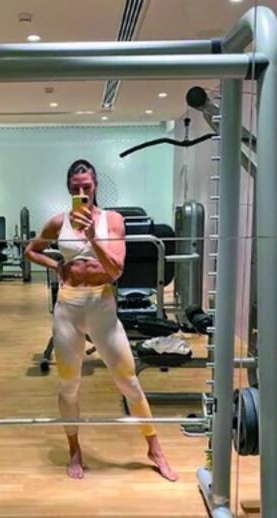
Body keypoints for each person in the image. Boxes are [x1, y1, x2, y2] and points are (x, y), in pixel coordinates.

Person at [25, 159, 177, 481]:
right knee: (69, 385)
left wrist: (93, 238)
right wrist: (56, 265)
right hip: (68, 307)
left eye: (87, 186)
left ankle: (155, 449)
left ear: (95, 187)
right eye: (76, 187)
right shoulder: (58, 222)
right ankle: (74, 449)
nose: (82, 191)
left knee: (129, 382)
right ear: (69, 189)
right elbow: (31, 250)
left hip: (102, 306)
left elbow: (116, 270)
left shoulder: (113, 221)